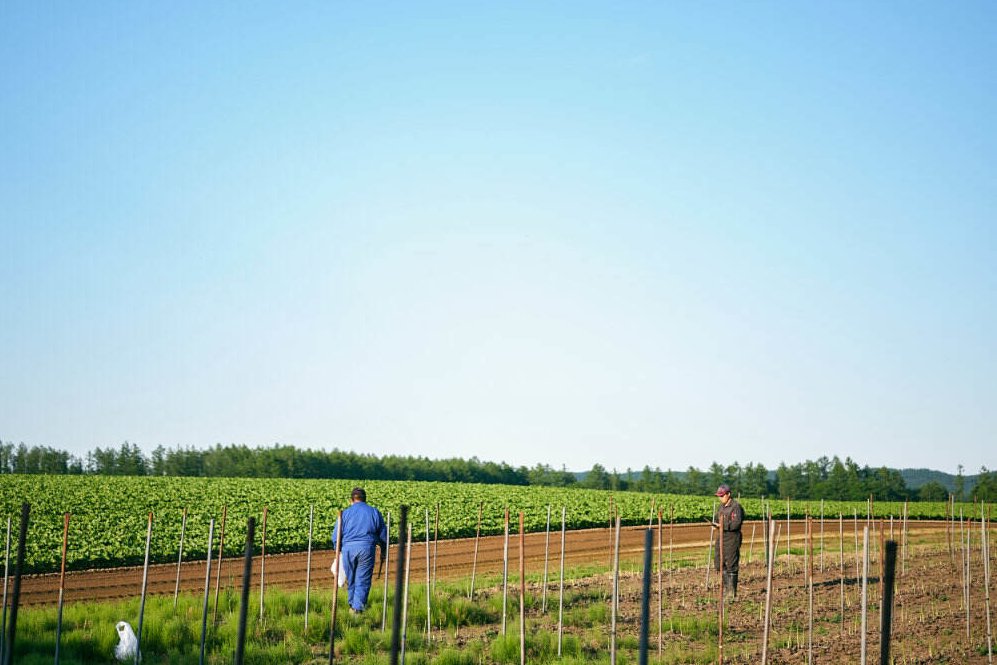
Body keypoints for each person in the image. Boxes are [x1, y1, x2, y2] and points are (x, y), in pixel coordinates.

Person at [331, 487, 388, 613]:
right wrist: (384, 550)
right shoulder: (374, 512)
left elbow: (336, 536)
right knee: (362, 579)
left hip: (348, 549)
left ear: (351, 500)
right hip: (366, 548)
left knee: (351, 578)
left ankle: (353, 605)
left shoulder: (344, 513)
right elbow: (383, 535)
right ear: (365, 500)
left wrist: (338, 550)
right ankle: (356, 608)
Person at [710, 484, 745, 597]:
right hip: (722, 536)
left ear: (728, 494)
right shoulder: (721, 507)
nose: (720, 498)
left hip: (733, 537)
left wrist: (721, 525)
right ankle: (727, 588)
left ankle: (731, 592)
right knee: (718, 563)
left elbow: (736, 523)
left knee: (731, 563)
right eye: (719, 496)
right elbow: (717, 518)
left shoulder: (736, 507)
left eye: (722, 496)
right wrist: (715, 524)